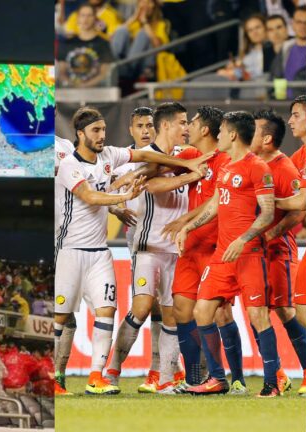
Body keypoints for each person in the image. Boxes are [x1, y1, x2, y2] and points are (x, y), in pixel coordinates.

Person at [54, 106, 210, 395]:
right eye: (181, 123)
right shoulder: (76, 164)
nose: (185, 127)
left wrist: (188, 164)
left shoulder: (178, 155)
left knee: (158, 313)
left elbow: (149, 160)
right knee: (134, 310)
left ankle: (153, 376)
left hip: (160, 250)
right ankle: (93, 371)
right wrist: (121, 199)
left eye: (103, 129)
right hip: (136, 247)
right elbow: (142, 182)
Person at [176, 111, 280, 397]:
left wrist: (244, 238)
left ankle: (272, 383)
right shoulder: (225, 169)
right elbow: (215, 208)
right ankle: (218, 379)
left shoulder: (257, 167)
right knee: (202, 311)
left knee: (258, 315)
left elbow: (268, 213)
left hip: (248, 253)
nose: (218, 136)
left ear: (233, 134)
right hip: (223, 254)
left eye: (221, 131)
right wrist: (188, 227)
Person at [106, 102, 197, 393]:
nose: (186, 128)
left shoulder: (186, 155)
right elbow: (148, 181)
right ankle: (111, 372)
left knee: (171, 314)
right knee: (143, 307)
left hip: (177, 250)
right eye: (182, 122)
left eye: (188, 122)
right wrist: (187, 174)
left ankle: (166, 377)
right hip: (147, 246)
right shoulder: (146, 161)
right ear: (167, 125)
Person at [159, 106, 236, 392]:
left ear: (205, 129)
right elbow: (158, 169)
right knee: (182, 309)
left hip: (216, 247)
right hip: (190, 248)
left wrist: (184, 220)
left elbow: (215, 204)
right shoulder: (192, 156)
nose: (187, 126)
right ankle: (193, 379)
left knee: (219, 313)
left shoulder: (228, 160)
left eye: (191, 121)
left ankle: (233, 377)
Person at [251, 109, 306, 396]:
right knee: (255, 312)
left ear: (267, 138)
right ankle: (277, 375)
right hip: (252, 253)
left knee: (286, 311)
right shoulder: (248, 164)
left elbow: (299, 210)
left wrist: (272, 233)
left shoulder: (284, 168)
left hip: (276, 251)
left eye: (254, 130)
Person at [58, 3, 116, 88]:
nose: (86, 19)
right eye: (83, 15)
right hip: (70, 91)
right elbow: (61, 72)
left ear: (95, 19)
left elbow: (105, 73)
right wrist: (73, 85)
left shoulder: (103, 44)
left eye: (89, 15)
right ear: (77, 18)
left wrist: (85, 86)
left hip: (96, 92)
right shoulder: (68, 43)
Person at [111, 0, 170, 81]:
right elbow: (112, 38)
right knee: (122, 30)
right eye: (142, 2)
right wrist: (134, 17)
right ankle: (113, 65)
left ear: (153, 6)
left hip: (140, 66)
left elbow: (158, 46)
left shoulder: (160, 24)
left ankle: (128, 68)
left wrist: (145, 23)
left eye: (148, 2)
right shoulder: (133, 23)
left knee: (143, 34)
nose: (144, 5)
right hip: (123, 62)